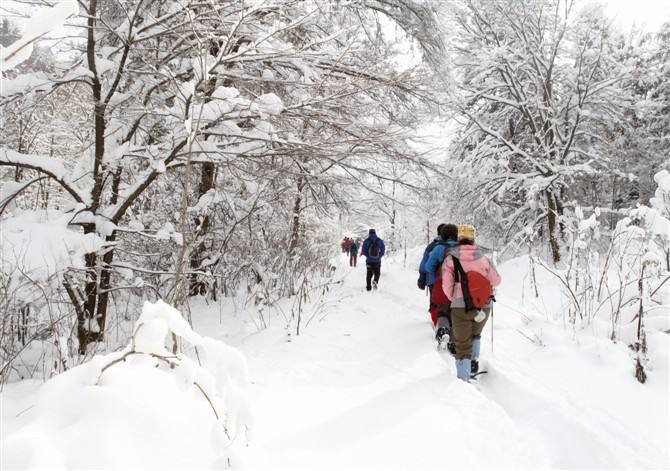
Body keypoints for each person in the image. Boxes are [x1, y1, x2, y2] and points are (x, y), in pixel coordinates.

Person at [441, 224, 501, 381]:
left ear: (459, 238)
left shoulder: (450, 259)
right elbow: (496, 280)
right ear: (473, 238)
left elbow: (446, 287)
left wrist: (456, 299)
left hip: (460, 306)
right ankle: (473, 364)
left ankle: (464, 380)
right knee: (476, 335)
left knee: (462, 344)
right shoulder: (484, 258)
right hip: (484, 305)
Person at [425, 224, 459, 350]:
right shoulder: (462, 248)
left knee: (443, 311)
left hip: (443, 284)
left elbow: (428, 267)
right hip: (461, 286)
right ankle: (454, 342)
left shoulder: (439, 248)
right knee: (457, 313)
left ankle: (444, 331)